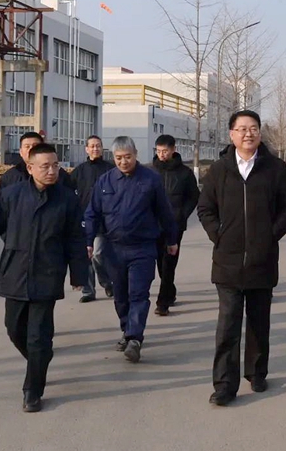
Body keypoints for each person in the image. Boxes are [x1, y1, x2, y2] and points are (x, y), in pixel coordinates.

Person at [0, 143, 89, 413]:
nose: (52, 171)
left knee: (38, 337)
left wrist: (79, 274)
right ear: (30, 168)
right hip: (16, 272)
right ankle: (40, 359)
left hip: (48, 274)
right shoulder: (11, 196)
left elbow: (76, 239)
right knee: (14, 329)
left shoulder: (67, 199)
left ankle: (32, 391)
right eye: (45, 166)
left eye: (55, 165)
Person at [197, 110, 286, 406]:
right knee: (227, 325)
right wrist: (218, 234)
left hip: (262, 260)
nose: (248, 133)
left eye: (253, 128)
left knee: (258, 322)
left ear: (259, 133)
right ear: (231, 134)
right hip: (227, 261)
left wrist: (271, 234)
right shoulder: (219, 170)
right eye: (242, 128)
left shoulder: (275, 168)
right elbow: (204, 208)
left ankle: (256, 373)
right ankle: (224, 385)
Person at [85, 136, 178, 363]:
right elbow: (92, 213)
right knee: (121, 295)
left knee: (139, 293)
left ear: (136, 154)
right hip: (114, 248)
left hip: (143, 248)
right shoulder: (105, 182)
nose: (123, 162)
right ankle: (126, 330)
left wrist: (171, 239)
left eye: (128, 157)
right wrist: (87, 241)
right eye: (118, 158)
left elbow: (165, 212)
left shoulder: (150, 180)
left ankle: (135, 338)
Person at [151, 134, 200, 316]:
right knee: (160, 261)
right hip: (153, 224)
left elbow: (194, 197)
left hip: (174, 225)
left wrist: (182, 214)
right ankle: (169, 291)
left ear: (173, 150)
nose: (161, 154)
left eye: (165, 151)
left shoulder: (185, 173)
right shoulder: (149, 172)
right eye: (158, 151)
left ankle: (163, 302)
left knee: (169, 262)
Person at [70, 135, 115, 303]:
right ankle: (88, 290)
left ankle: (107, 282)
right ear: (86, 149)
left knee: (98, 253)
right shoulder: (79, 171)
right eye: (92, 146)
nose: (95, 149)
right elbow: (67, 191)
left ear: (102, 148)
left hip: (104, 221)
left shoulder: (110, 169)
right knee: (86, 256)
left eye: (98, 146)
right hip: (83, 220)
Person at [0, 131, 74, 196]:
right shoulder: (10, 177)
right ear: (21, 152)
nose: (31, 149)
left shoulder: (60, 175)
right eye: (27, 146)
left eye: (35, 146)